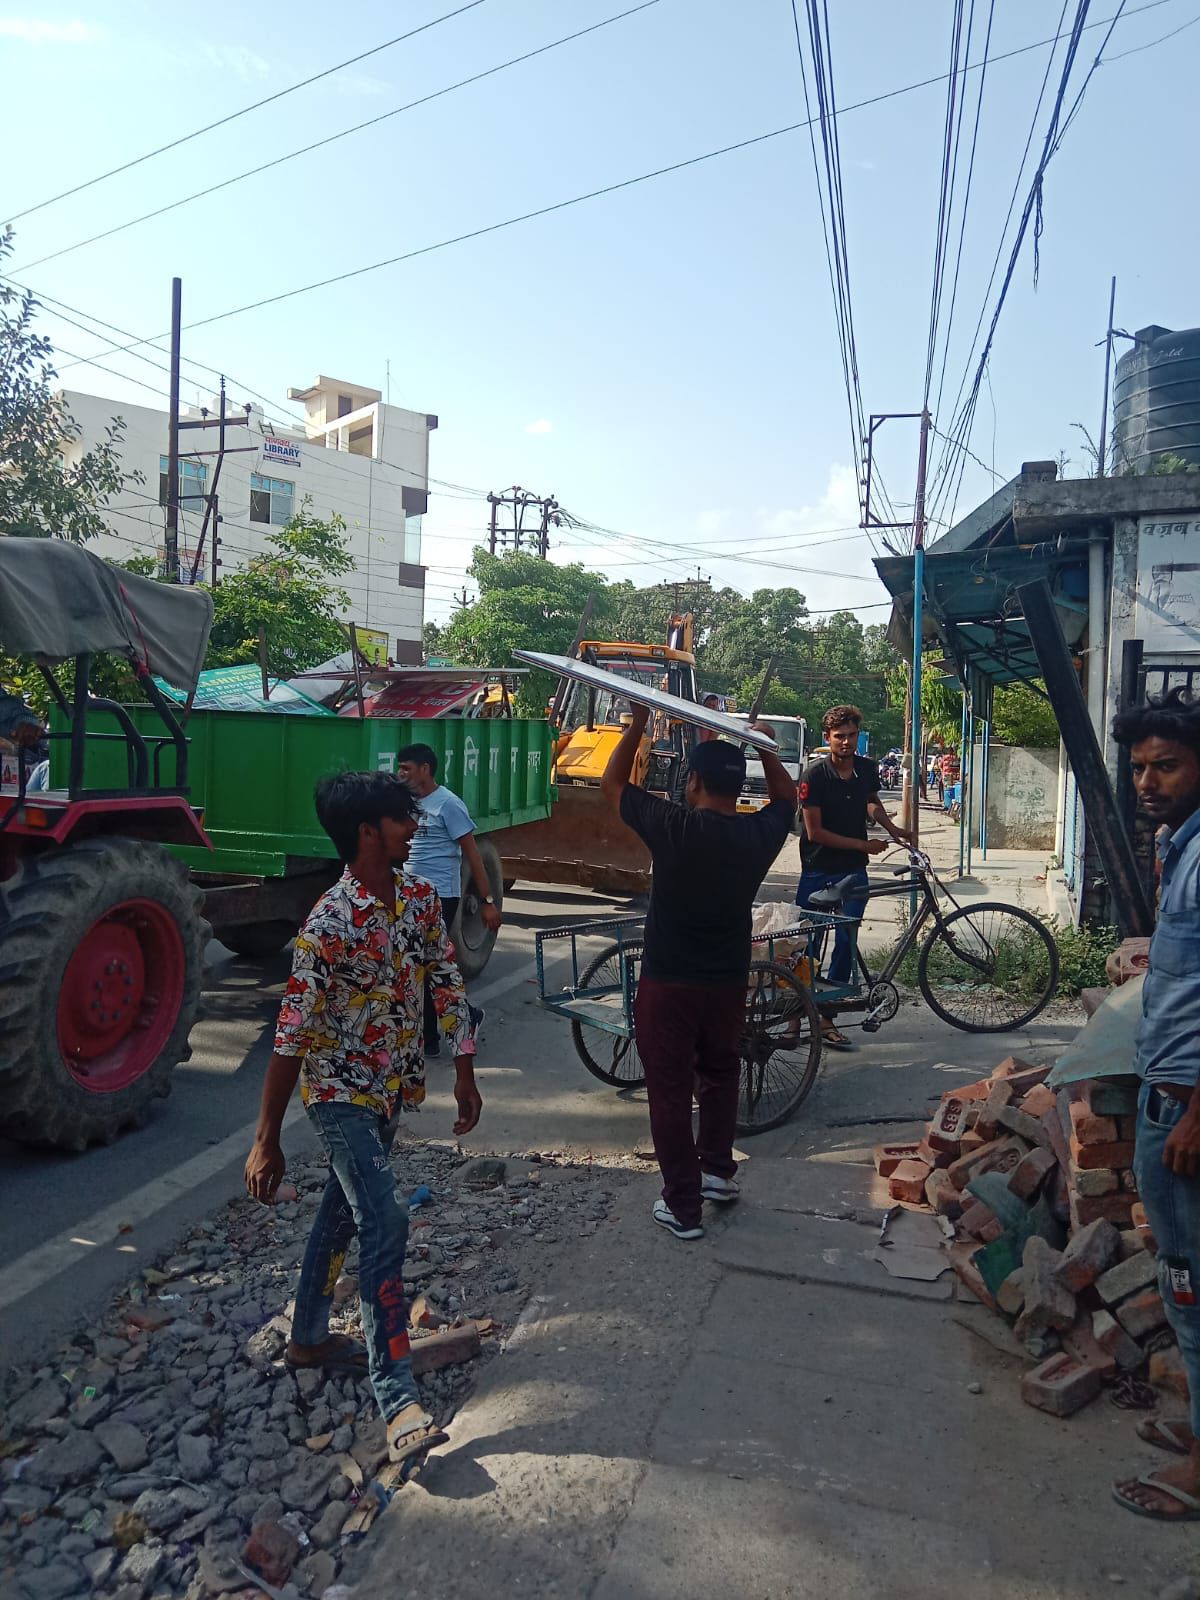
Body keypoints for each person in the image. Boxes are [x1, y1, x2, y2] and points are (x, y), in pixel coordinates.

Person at [244, 771, 482, 1471]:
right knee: (385, 1218)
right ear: (368, 832)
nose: (416, 828)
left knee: (342, 1216)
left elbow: (446, 983)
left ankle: (308, 1338)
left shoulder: (416, 898)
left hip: (389, 1091)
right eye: (403, 819)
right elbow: (290, 1036)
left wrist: (464, 1070)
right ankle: (397, 1399)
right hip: (338, 1096)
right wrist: (264, 1140)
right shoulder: (327, 925)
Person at [601, 706, 795, 1241]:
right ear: (737, 788)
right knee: (721, 1073)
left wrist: (637, 723)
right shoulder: (758, 834)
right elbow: (786, 800)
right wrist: (766, 749)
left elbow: (612, 784)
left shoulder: (674, 826)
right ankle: (716, 1173)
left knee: (668, 1090)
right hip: (727, 980)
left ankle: (683, 1205)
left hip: (669, 980)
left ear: (693, 783)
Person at [1110, 690, 1200, 1524]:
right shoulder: (1183, 846)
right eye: (1140, 767)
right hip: (1167, 1099)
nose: (1147, 781)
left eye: (1166, 766)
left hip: (1188, 1114)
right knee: (1183, 1278)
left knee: (1193, 1284)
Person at [796, 704, 911, 1051]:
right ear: (827, 738)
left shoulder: (866, 768)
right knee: (807, 945)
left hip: (854, 870)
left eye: (851, 735)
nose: (846, 742)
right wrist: (865, 844)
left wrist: (893, 829)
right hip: (818, 869)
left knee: (846, 941)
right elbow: (815, 832)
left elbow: (870, 801)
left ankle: (827, 1017)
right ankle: (794, 1016)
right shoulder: (814, 776)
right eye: (839, 736)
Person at [396, 743, 502, 1056]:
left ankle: (448, 1026)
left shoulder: (448, 804)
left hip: (441, 897)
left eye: (406, 768)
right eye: (399, 768)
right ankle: (430, 1036)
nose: (401, 774)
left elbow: (473, 854)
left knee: (428, 965)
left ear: (425, 769)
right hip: (410, 894)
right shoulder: (407, 802)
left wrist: (487, 901)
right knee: (418, 965)